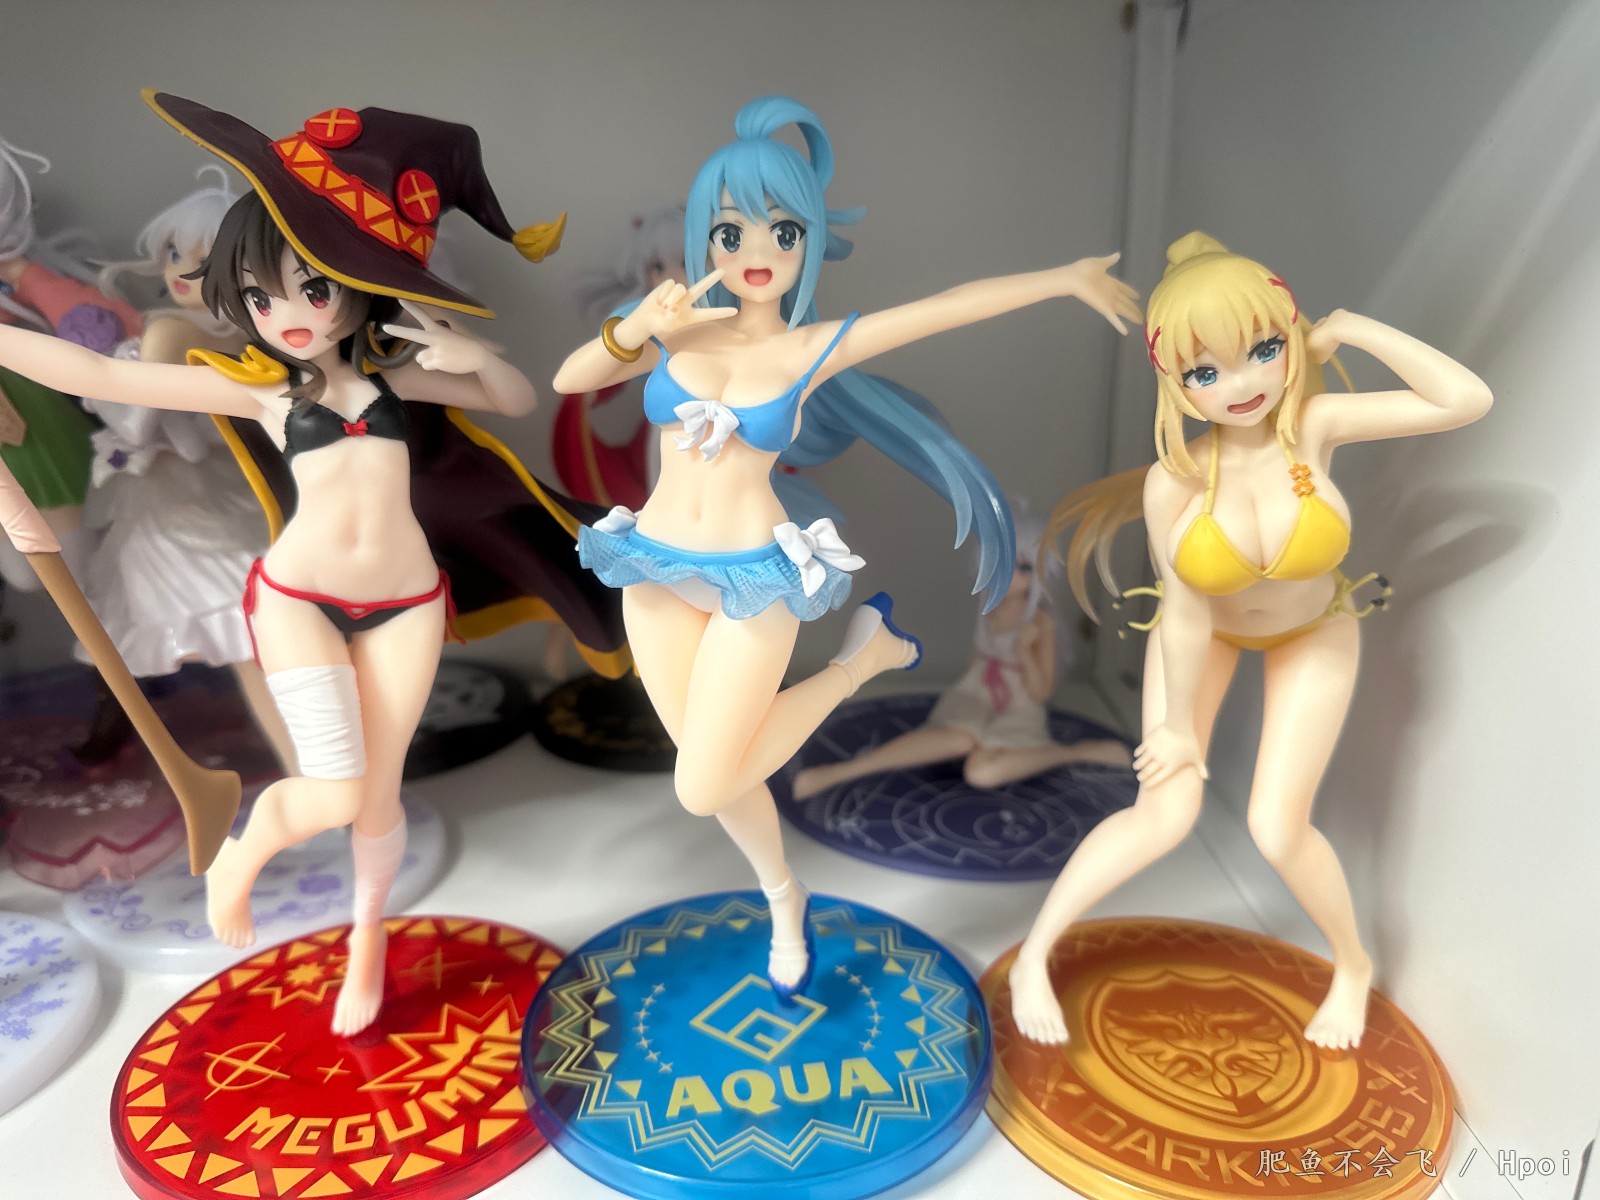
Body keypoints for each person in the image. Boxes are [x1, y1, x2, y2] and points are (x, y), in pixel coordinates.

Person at [0, 93, 627, 1035]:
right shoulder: (260, 389)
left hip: (410, 602)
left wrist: (466, 351)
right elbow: (100, 375)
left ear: (352, 283)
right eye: (260, 298)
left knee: (377, 795)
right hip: (300, 599)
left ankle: (368, 942)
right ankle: (245, 851)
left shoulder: (392, 378)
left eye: (309, 289)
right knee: (332, 789)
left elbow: (510, 397)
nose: (286, 316)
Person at [554, 96, 1140, 998]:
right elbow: (571, 378)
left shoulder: (812, 348)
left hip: (754, 579)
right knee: (718, 770)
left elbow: (945, 309)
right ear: (707, 234)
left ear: (809, 242)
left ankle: (857, 666)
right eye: (733, 230)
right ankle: (782, 895)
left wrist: (1061, 279)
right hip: (657, 568)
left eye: (784, 232)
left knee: (701, 785)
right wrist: (636, 329)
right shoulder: (675, 323)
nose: (757, 251)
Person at [1009, 232, 1492, 1050]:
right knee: (1164, 812)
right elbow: (1185, 612)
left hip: (1315, 631)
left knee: (1277, 826)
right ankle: (1034, 956)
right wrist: (1173, 728)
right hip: (1206, 637)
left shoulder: (1315, 425)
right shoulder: (1174, 480)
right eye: (1205, 372)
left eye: (1263, 350)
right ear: (1173, 379)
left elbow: (1464, 398)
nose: (1240, 386)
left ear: (1290, 340)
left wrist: (1352, 329)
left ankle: (1353, 964)